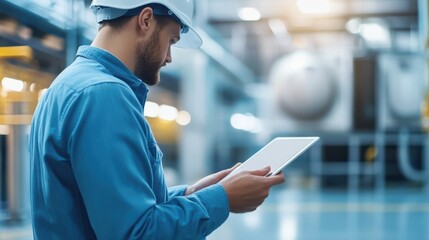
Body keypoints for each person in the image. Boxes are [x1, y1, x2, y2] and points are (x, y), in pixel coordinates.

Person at [28, 0, 285, 239]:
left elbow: (110, 205)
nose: (170, 57)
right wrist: (222, 199)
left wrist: (193, 193)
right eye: (171, 40)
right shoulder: (104, 94)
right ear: (146, 20)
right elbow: (136, 233)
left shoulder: (69, 84)